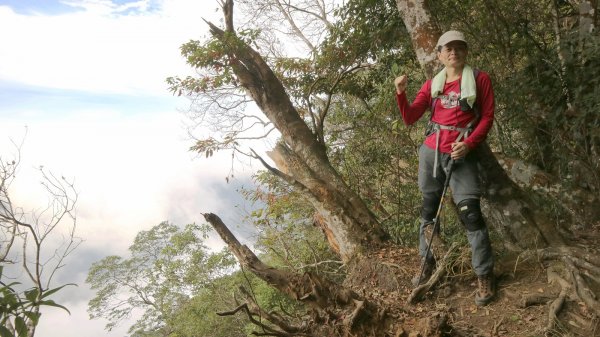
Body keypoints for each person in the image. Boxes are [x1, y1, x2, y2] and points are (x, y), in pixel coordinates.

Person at [394, 30, 495, 306]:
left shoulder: (479, 80)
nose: (454, 53)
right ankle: (427, 264)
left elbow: (487, 117)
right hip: (432, 152)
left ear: (466, 52)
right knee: (428, 210)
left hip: (462, 152)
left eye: (459, 48)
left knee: (470, 214)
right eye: (448, 49)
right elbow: (410, 117)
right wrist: (401, 93)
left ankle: (484, 275)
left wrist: (470, 144)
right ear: (439, 54)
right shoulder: (432, 84)